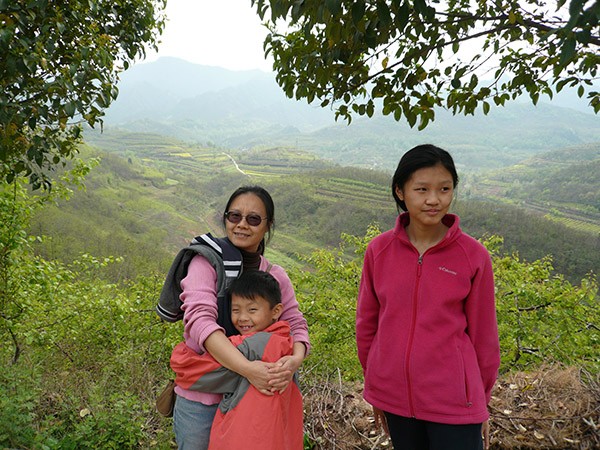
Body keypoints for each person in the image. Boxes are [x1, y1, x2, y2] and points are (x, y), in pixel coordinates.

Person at [355, 145, 500, 450]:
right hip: (394, 398)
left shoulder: (473, 256)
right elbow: (367, 326)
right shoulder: (378, 251)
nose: (434, 199)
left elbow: (484, 337)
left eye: (444, 189)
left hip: (455, 402)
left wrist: (479, 402)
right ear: (400, 191)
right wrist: (378, 389)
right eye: (422, 189)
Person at [172, 185, 310, 450]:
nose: (242, 225)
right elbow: (201, 322)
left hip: (256, 398)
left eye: (254, 219)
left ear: (268, 226)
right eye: (234, 216)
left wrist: (293, 361)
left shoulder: (274, 275)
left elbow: (296, 324)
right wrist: (248, 369)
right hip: (203, 398)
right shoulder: (205, 262)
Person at [170, 270, 303, 450]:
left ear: (276, 311)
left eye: (252, 310)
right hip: (275, 436)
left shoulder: (250, 346)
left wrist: (184, 350)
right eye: (235, 310)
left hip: (244, 435)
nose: (242, 318)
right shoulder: (286, 340)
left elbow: (189, 371)